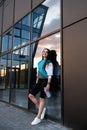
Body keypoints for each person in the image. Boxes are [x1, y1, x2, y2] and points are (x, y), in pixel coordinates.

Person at [28, 48, 53, 125]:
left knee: (42, 98)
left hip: (45, 81)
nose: (45, 53)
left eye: (46, 52)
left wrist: (48, 84)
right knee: (30, 95)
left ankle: (38, 117)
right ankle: (42, 109)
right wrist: (36, 83)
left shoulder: (49, 63)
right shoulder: (39, 62)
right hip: (39, 81)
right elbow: (38, 73)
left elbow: (49, 74)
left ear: (48, 54)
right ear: (42, 53)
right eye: (43, 51)